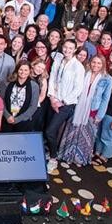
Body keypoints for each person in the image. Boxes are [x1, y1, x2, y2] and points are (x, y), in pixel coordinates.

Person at [56, 56, 112, 167]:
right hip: (77, 108)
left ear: (103, 65)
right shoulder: (84, 73)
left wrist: (100, 115)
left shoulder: (107, 78)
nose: (96, 65)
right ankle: (68, 155)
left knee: (86, 136)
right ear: (90, 63)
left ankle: (80, 159)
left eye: (99, 63)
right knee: (72, 132)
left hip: (92, 111)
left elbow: (105, 99)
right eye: (94, 62)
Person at [44, 40, 85, 173]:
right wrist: (52, 98)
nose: (67, 50)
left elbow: (78, 89)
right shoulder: (58, 60)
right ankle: (50, 151)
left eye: (70, 48)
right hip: (53, 100)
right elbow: (52, 79)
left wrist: (62, 102)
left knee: (50, 131)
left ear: (75, 50)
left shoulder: (78, 67)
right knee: (50, 129)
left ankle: (53, 158)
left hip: (66, 104)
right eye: (65, 47)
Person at [2, 64, 41, 133]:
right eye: (21, 69)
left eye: (26, 70)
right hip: (7, 119)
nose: (23, 72)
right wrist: (7, 116)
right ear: (17, 70)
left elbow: (33, 107)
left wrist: (17, 119)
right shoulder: (8, 83)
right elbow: (2, 101)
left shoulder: (34, 86)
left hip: (23, 121)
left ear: (29, 71)